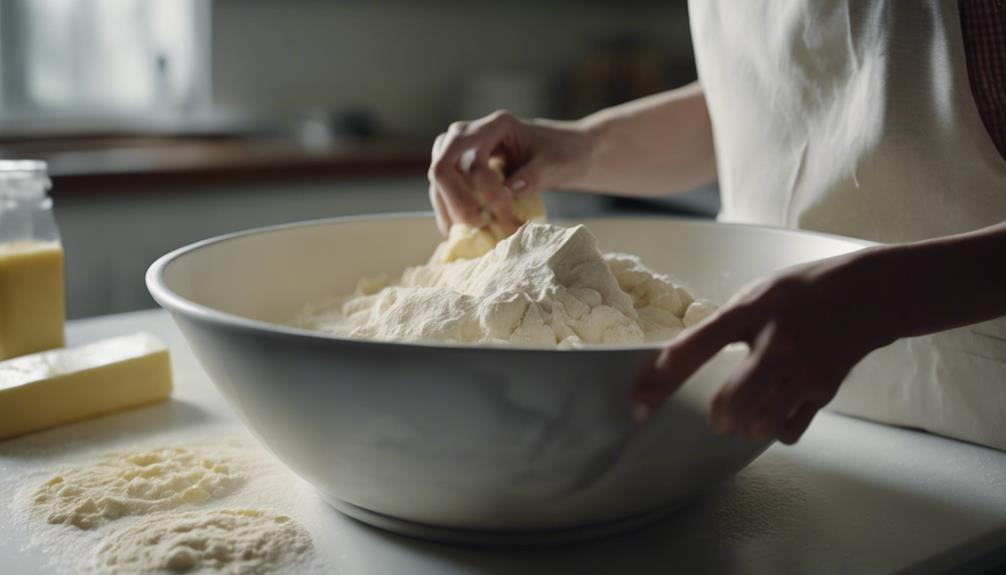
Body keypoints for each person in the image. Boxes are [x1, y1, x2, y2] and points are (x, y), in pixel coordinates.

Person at [427, 1, 1006, 448]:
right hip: (781, 421)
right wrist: (582, 146)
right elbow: (780, 100)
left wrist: (882, 298)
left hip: (986, 429)